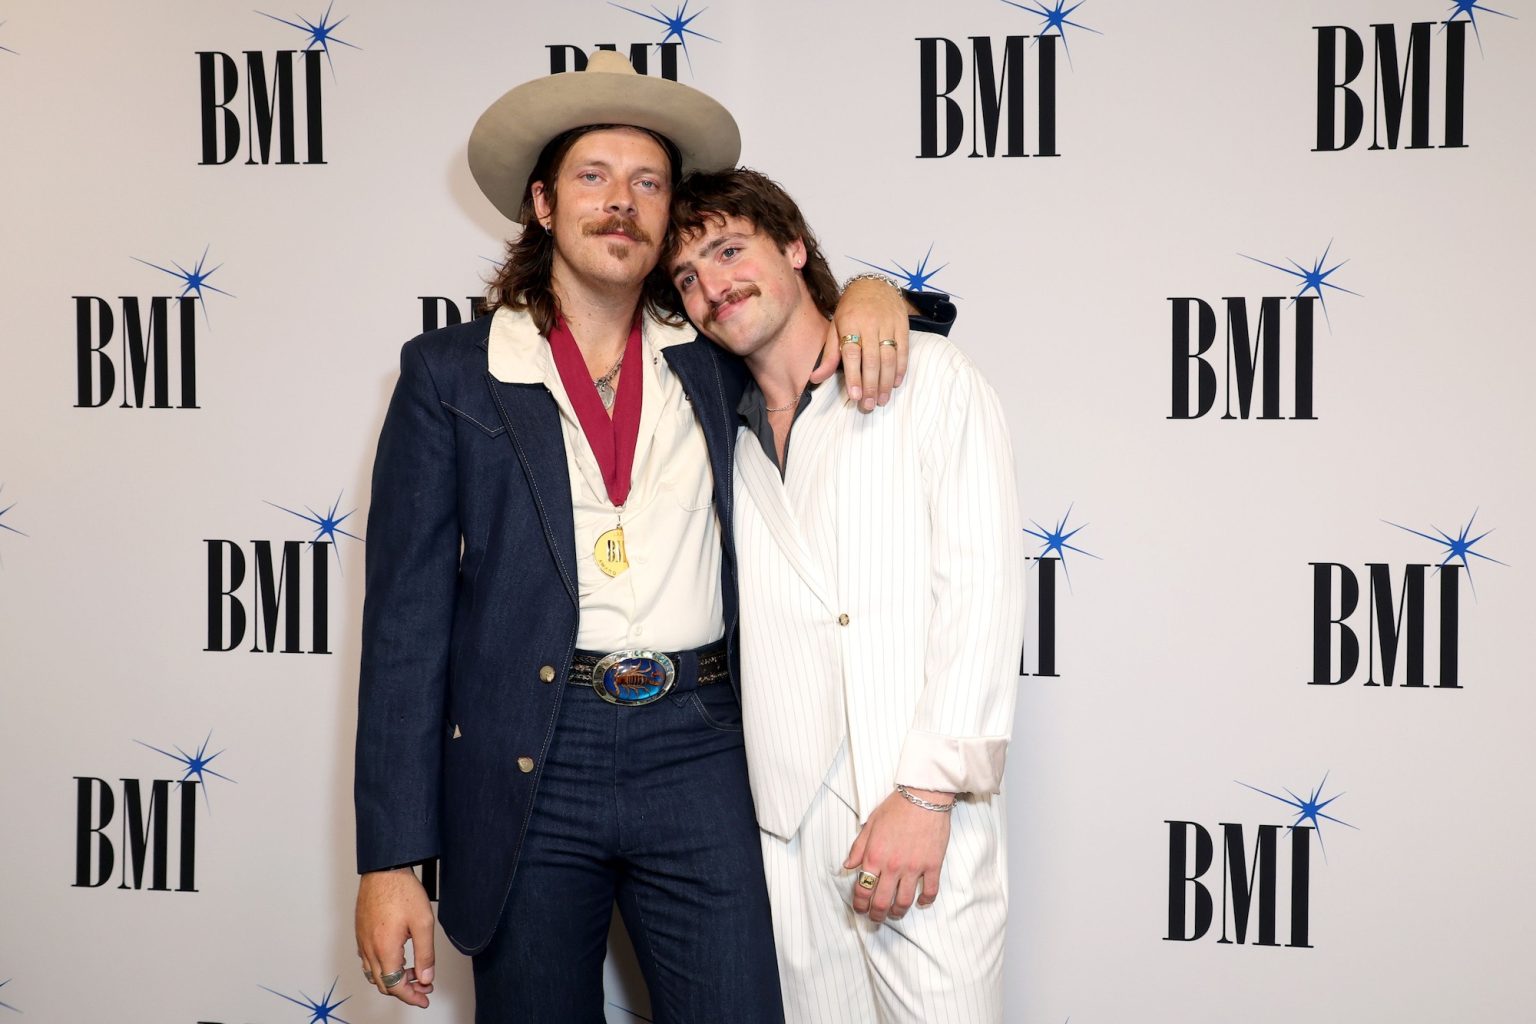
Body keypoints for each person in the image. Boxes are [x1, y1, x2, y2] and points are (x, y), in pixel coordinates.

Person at [352, 52, 948, 1023]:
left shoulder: (714, 352)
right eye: (593, 176)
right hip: (533, 753)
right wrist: (390, 859)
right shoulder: (450, 375)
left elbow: (809, 323)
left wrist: (874, 293)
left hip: (700, 746)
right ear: (543, 203)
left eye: (648, 183)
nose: (620, 202)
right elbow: (405, 628)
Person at [665, 168, 1024, 1023]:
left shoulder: (931, 378)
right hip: (786, 835)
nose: (713, 286)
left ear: (794, 247)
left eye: (730, 250)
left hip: (916, 809)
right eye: (687, 277)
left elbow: (982, 595)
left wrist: (928, 795)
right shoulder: (714, 430)